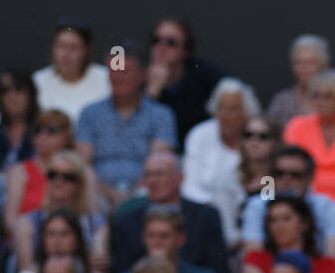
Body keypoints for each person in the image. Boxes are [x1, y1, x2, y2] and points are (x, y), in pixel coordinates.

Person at [75, 41, 178, 210]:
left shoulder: (160, 115)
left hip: (146, 191)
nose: (117, 77)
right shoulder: (89, 114)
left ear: (143, 74)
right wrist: (110, 193)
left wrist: (132, 194)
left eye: (124, 70)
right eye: (113, 70)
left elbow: (158, 163)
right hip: (99, 194)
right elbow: (83, 165)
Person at [109, 150, 228, 273]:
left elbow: (218, 271)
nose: (152, 181)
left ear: (180, 178)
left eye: (160, 174)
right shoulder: (127, 222)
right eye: (148, 175)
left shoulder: (206, 217)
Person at [238, 145, 335, 271]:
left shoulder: (329, 208)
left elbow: (334, 263)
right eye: (280, 174)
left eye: (295, 175)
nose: (286, 180)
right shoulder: (257, 206)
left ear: (310, 178)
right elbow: (253, 259)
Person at [181, 78, 261, 248]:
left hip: (244, 221)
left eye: (233, 109)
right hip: (204, 216)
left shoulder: (256, 137)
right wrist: (212, 210)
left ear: (246, 112)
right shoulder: (200, 134)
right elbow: (189, 185)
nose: (226, 115)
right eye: (222, 108)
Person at [10, 149, 106, 273]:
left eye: (68, 177)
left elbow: (98, 269)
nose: (59, 181)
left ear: (80, 184)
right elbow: (28, 272)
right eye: (52, 175)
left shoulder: (96, 224)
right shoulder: (26, 223)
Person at [281, 70, 335, 203]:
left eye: (328, 97)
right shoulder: (297, 127)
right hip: (304, 201)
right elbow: (287, 169)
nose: (321, 102)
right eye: (316, 96)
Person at [1, 109, 79, 246]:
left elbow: (91, 214)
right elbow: (10, 220)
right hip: (27, 242)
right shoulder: (19, 172)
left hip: (72, 245)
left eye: (51, 130)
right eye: (37, 130)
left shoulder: (80, 169)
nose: (42, 136)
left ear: (66, 136)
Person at [144, 18, 225, 148]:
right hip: (156, 158)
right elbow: (135, 134)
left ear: (185, 51)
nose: (161, 48)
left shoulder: (205, 76)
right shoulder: (136, 76)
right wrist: (152, 93)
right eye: (156, 41)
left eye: (171, 43)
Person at [32, 18, 111, 122]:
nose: (65, 54)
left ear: (86, 51)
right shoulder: (37, 81)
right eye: (61, 46)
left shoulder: (106, 79)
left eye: (73, 48)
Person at [266, 34, 334, 128]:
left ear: (324, 66)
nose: (304, 68)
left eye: (311, 62)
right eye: (299, 62)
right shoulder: (282, 102)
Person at [0, 68, 37, 171]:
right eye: (5, 91)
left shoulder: (45, 133)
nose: (12, 97)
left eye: (19, 90)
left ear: (31, 95)